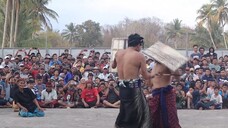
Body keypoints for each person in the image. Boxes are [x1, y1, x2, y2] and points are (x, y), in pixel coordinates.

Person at [112, 33, 153, 128]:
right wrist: (156, 74)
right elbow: (146, 76)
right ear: (138, 44)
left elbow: (113, 66)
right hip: (133, 89)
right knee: (139, 113)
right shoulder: (139, 56)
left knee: (125, 110)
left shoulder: (118, 53)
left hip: (122, 87)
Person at [148, 61, 181, 128]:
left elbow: (178, 77)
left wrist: (167, 73)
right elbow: (150, 83)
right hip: (155, 93)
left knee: (170, 117)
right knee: (153, 117)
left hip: (166, 93)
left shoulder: (168, 63)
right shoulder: (154, 65)